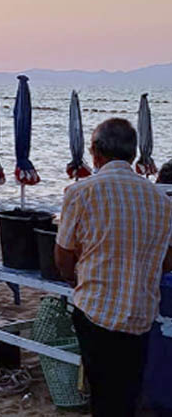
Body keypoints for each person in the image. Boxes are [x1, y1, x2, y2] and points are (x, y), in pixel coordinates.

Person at [55, 118, 172, 417]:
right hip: (141, 312)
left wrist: (73, 278)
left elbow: (63, 256)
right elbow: (168, 259)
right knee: (128, 393)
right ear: (132, 153)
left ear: (95, 152)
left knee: (102, 394)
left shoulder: (81, 192)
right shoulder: (161, 200)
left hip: (96, 309)